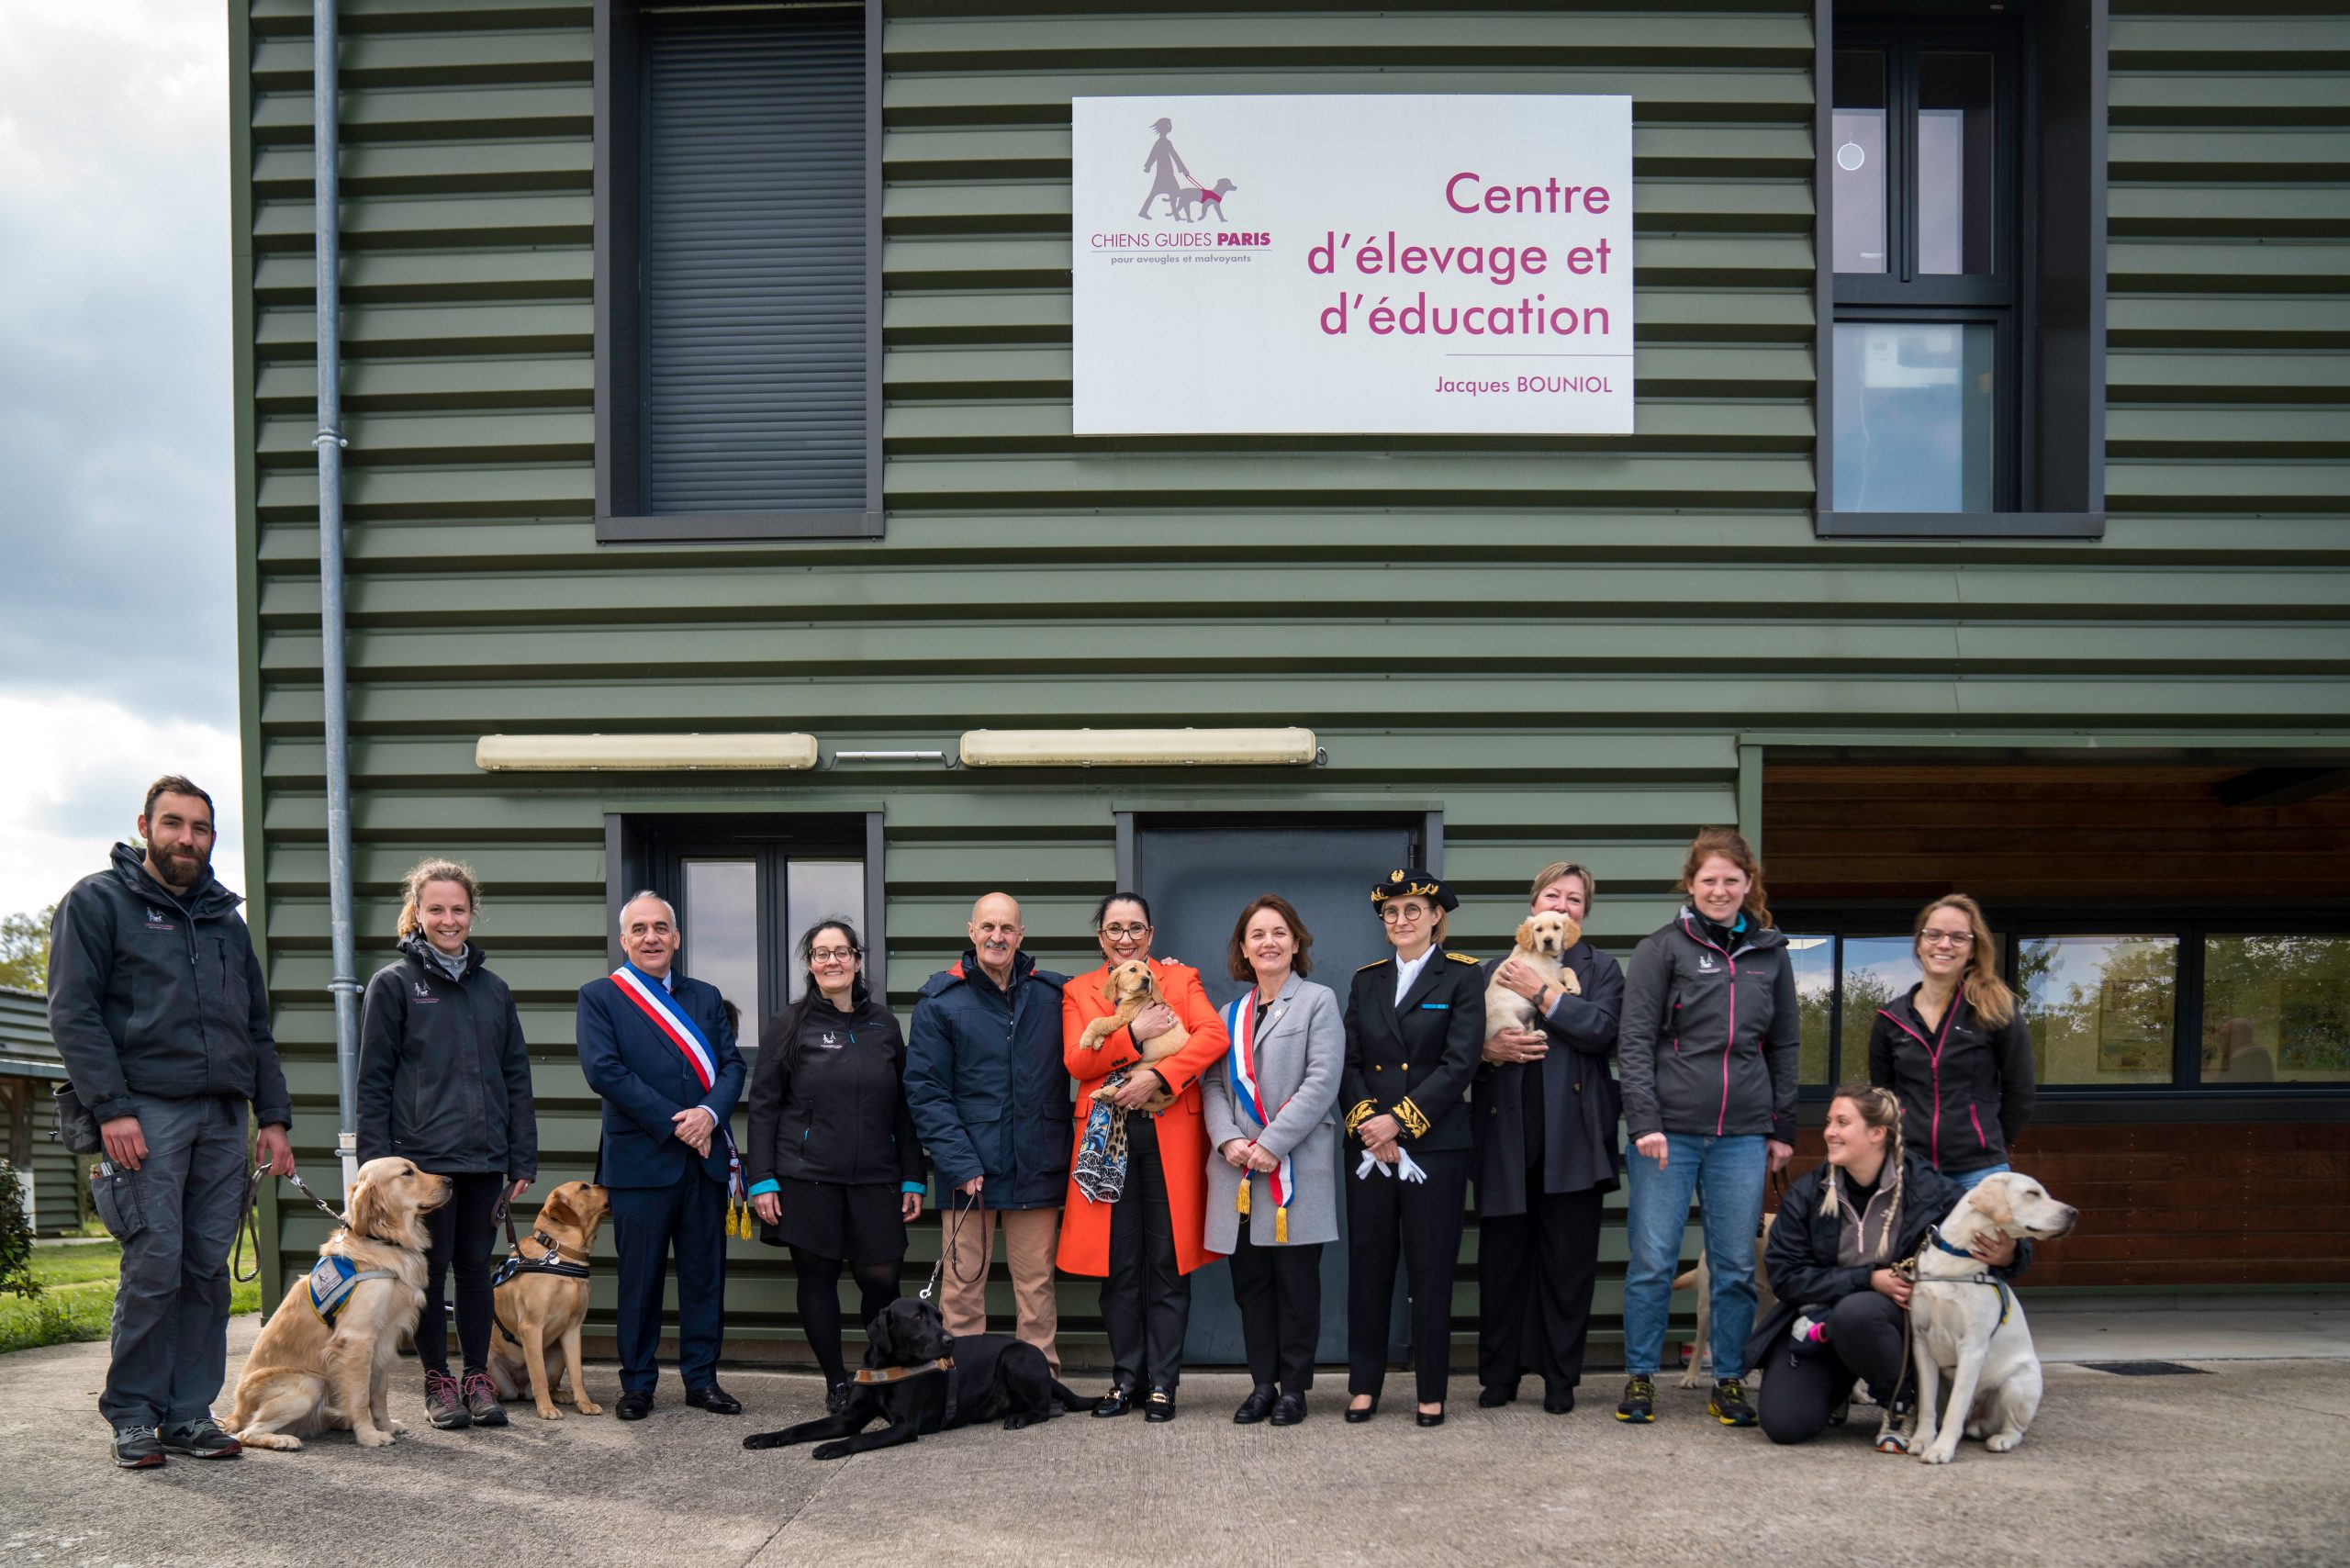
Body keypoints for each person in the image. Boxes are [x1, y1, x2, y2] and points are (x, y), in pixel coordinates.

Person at [47, 775, 296, 1468]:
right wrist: (112, 1109)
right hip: (141, 1115)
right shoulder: (98, 903)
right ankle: (132, 1413)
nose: (188, 838)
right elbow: (73, 1015)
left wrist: (272, 1119)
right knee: (153, 1264)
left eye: (201, 828)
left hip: (222, 1116)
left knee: (205, 1268)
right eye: (174, 824)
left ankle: (188, 1413)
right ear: (145, 826)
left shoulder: (225, 919)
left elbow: (255, 1029)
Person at [1614, 827, 1799, 1429]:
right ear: (1691, 885)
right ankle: (1641, 1377)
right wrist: (1644, 1120)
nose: (1720, 890)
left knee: (1736, 1267)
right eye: (1709, 880)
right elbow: (1635, 1042)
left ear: (1749, 886)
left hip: (1743, 1135)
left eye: (1731, 880)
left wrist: (1781, 1128)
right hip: (1667, 1135)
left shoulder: (1771, 954)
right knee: (1653, 1261)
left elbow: (1785, 1043)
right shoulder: (1661, 949)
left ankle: (1727, 1381)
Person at [356, 857, 536, 1431]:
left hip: (484, 1159)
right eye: (436, 909)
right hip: (421, 1166)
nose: (449, 919)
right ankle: (438, 1380)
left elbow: (516, 1078)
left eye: (459, 909)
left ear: (471, 914)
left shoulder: (494, 990)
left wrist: (520, 1158)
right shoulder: (394, 985)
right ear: (417, 912)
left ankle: (477, 1378)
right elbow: (374, 1080)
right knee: (428, 1271)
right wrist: (373, 1167)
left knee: (476, 1269)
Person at [1751, 1084, 2027, 1448]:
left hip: (1894, 1326)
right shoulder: (1809, 1191)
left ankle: (1902, 1402)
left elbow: (2009, 1253)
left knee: (1857, 1313)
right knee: (1784, 1425)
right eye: (1830, 1121)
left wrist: (2009, 1255)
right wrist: (1868, 1279)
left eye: (1843, 1122)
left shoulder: (1930, 1189)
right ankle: (1839, 1386)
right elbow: (1785, 1277)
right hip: (1817, 1323)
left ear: (1878, 1133)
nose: (1829, 1131)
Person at [1058, 892, 1231, 1422]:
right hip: (1107, 1141)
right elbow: (1077, 1060)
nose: (1125, 937)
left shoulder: (1180, 980)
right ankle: (1126, 1380)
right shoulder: (1077, 991)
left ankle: (1163, 1384)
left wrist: (1160, 1074)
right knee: (1119, 1266)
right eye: (1115, 928)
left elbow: (1213, 1036)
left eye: (1135, 928)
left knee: (1167, 1262)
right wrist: (1134, 1036)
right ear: (1101, 937)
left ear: (1150, 935)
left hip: (1168, 1136)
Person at [576, 890, 747, 1420]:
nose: (651, 938)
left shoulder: (706, 996)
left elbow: (733, 1067)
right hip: (641, 1163)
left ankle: (702, 1379)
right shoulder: (601, 996)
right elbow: (605, 1072)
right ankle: (638, 1384)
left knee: (704, 1276)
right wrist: (680, 1123)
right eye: (640, 930)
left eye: (661, 928)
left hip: (703, 1160)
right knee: (641, 1280)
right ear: (624, 940)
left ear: (676, 938)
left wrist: (709, 1116)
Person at [744, 919, 924, 1411]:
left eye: (841, 952)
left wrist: (913, 1174)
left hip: (877, 1177)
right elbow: (763, 1106)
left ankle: (880, 1375)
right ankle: (836, 1382)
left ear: (857, 961)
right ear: (810, 965)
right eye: (821, 954)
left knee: (882, 1280)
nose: (832, 962)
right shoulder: (789, 1023)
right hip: (806, 1177)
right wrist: (761, 1178)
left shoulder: (883, 1024)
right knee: (817, 1279)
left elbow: (902, 1108)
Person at [1473, 859, 1624, 1415]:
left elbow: (1603, 1031)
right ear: (1533, 907)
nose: (1561, 907)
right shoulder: (1497, 966)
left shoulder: (1601, 969)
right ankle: (1499, 1377)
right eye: (1553, 897)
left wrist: (1545, 995)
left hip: (1575, 1136)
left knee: (1568, 1264)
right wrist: (1488, 1051)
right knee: (1502, 1263)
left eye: (1575, 900)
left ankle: (1561, 1380)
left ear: (1583, 915)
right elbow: (1464, 1046)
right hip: (1505, 1134)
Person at [903, 892, 1071, 1372]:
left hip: (1036, 1164)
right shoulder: (942, 1002)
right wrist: (960, 1163)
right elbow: (926, 1091)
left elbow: (1119, 995)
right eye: (988, 927)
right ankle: (964, 1381)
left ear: (1021, 935)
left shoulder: (1054, 995)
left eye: (1008, 928)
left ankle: (1040, 1378)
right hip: (968, 1171)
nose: (997, 936)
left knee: (1036, 1284)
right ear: (971, 931)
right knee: (962, 1286)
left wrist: (1160, 969)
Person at [1341, 868, 1484, 1428]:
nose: (1401, 921)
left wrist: (1399, 1122)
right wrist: (1368, 1126)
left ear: (1435, 917)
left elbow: (1460, 1063)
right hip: (1369, 1150)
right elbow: (1349, 1062)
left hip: (1435, 1147)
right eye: (1391, 913)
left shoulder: (1462, 977)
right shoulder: (1366, 980)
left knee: (1430, 1272)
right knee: (1369, 1267)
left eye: (1412, 911)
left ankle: (1431, 1390)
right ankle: (1363, 1385)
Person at [1202, 894, 1343, 1427]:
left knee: (1297, 1287)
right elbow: (1213, 1084)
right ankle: (1262, 1384)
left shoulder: (1318, 1002)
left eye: (1279, 932)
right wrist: (1226, 1139)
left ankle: (1295, 1389)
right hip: (1239, 1171)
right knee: (1252, 1287)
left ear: (1297, 941)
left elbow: (1322, 1081)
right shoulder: (1229, 1014)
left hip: (1292, 1169)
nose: (1269, 942)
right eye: (1257, 934)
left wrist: (1270, 1143)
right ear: (1243, 947)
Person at [1866, 893, 2036, 1189]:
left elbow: (2020, 1092)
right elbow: (1885, 1098)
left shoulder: (1995, 1011)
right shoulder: (1890, 1019)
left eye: (1958, 937)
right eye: (1934, 935)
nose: (1944, 945)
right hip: (1911, 1169)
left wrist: (1986, 1140)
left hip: (1979, 1173)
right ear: (1919, 944)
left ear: (1972, 949)